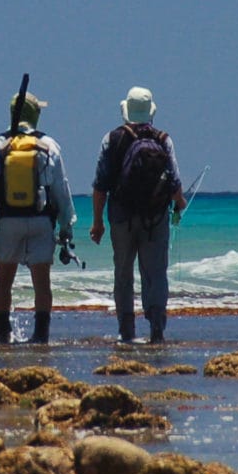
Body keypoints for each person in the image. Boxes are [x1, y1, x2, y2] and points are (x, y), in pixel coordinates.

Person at [89, 86, 188, 343]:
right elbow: (175, 183)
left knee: (123, 273)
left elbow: (100, 186)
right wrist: (180, 203)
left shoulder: (111, 139)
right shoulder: (163, 139)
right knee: (155, 273)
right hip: (155, 219)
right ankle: (156, 329)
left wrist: (97, 222)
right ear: (150, 112)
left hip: (121, 218)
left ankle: (126, 330)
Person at [0, 90, 75, 344]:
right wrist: (66, 227)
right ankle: (40, 336)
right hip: (41, 221)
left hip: (8, 221)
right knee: (42, 283)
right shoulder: (49, 146)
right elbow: (61, 191)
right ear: (36, 115)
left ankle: (3, 337)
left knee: (4, 282)